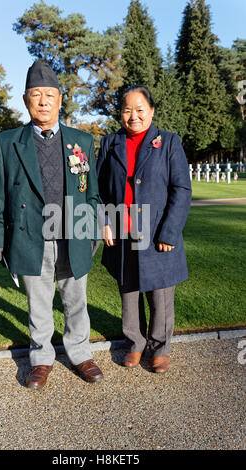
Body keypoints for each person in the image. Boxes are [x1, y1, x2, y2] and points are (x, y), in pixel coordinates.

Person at [0, 61, 103, 389]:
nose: (43, 101)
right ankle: (41, 357)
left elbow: (92, 194)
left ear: (60, 99)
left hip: (72, 234)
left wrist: (92, 230)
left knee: (75, 299)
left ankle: (80, 353)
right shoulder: (8, 142)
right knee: (38, 303)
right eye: (36, 95)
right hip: (30, 237)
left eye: (49, 94)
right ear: (26, 100)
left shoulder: (82, 141)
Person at [97, 85, 191, 374]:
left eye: (140, 110)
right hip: (123, 232)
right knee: (129, 291)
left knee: (160, 295)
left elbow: (182, 189)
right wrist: (105, 221)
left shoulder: (170, 142)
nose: (133, 116)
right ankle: (135, 343)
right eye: (127, 110)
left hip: (156, 233)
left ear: (151, 111)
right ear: (120, 113)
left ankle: (160, 348)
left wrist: (169, 232)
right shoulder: (110, 143)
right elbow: (97, 191)